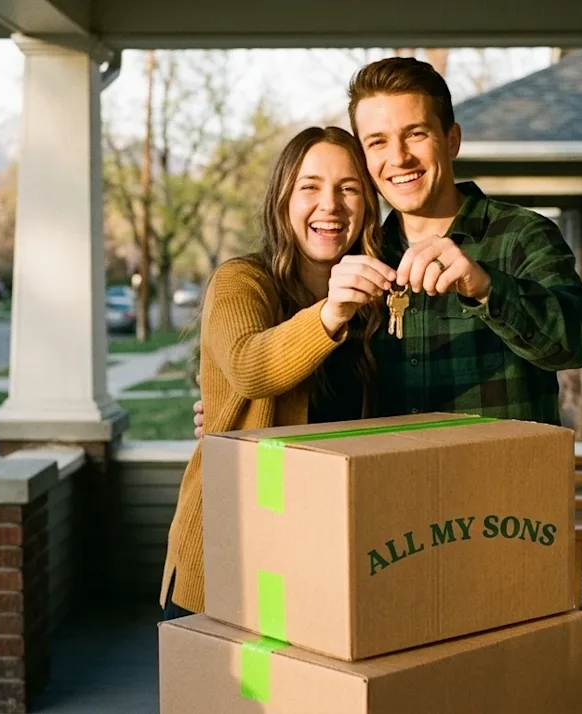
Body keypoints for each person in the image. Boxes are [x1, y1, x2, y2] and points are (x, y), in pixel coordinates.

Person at [192, 56, 582, 436]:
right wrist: (237, 404)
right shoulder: (361, 258)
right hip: (388, 498)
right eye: (378, 142)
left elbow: (578, 344)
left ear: (452, 140)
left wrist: (486, 287)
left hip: (496, 499)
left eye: (416, 134)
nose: (399, 157)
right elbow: (310, 374)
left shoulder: (521, 234)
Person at [160, 126, 393, 621]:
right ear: (282, 199)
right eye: (310, 186)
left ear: (369, 205)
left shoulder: (378, 302)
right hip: (233, 549)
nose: (330, 204)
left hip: (323, 556)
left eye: (349, 188)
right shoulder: (242, 281)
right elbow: (250, 366)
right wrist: (332, 311)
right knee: (233, 698)